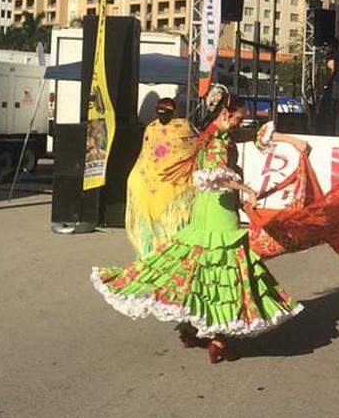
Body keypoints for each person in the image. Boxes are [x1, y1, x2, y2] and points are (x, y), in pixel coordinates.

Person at [91, 90, 306, 364]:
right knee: (225, 270)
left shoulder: (207, 134)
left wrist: (290, 140)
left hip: (205, 210)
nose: (243, 123)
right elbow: (217, 175)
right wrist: (246, 189)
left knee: (198, 267)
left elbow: (251, 137)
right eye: (240, 118)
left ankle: (193, 328)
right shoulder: (214, 142)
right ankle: (218, 339)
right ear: (226, 115)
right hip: (218, 211)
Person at [124, 97, 195, 257]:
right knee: (171, 223)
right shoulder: (182, 127)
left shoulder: (151, 127)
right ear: (175, 111)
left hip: (147, 183)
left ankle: (148, 258)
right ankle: (168, 258)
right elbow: (192, 151)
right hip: (171, 185)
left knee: (150, 223)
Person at [316, 37, 339, 135]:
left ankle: (327, 131)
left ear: (330, 46)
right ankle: (336, 130)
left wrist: (324, 84)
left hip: (334, 85)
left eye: (326, 46)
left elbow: (331, 69)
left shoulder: (332, 55)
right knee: (337, 109)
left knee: (329, 109)